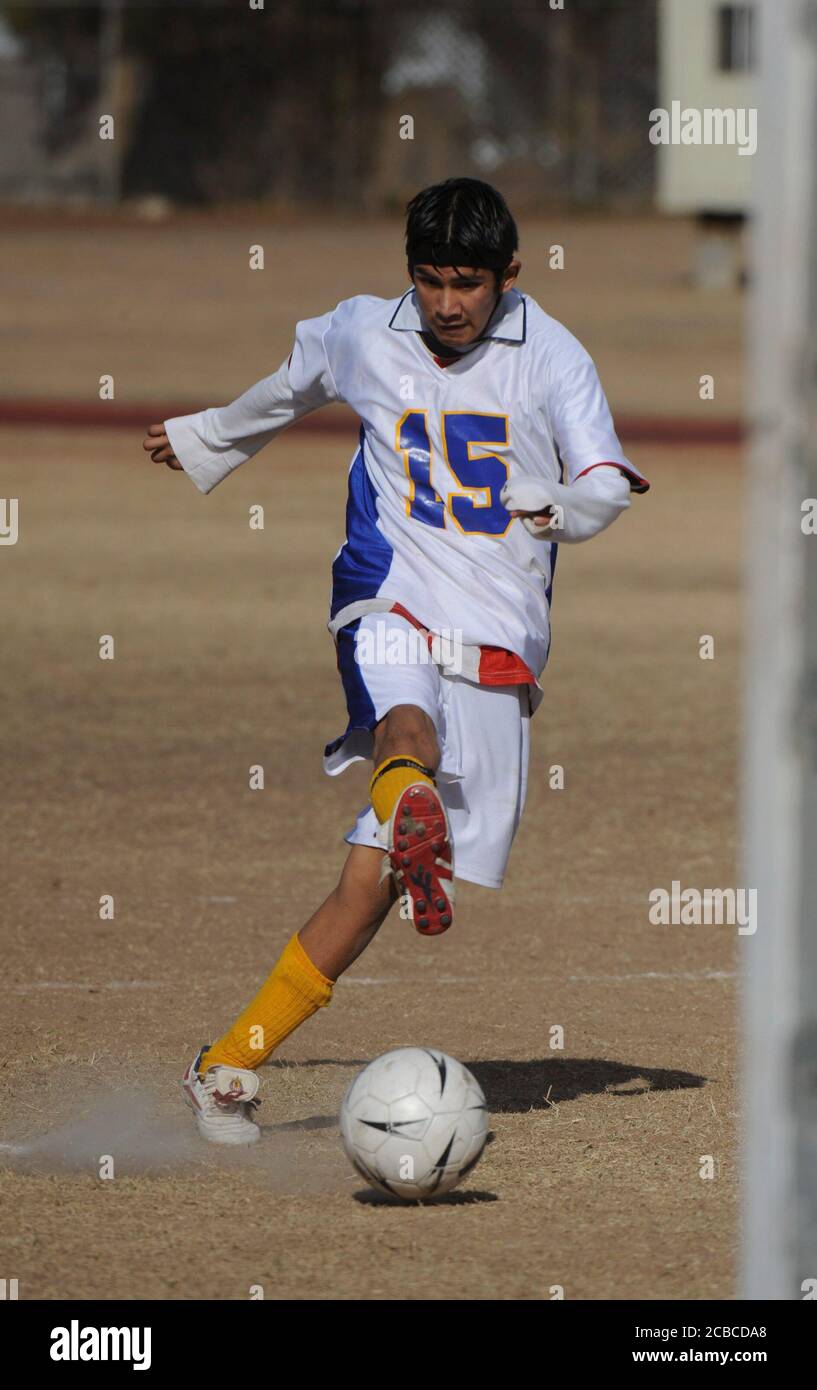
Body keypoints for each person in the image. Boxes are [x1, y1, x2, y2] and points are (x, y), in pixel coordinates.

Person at [142, 177, 649, 1145]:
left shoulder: (554, 356)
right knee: (398, 722)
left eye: (467, 283)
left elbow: (602, 481)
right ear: (406, 276)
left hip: (496, 631)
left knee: (364, 890)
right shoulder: (362, 332)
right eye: (428, 281)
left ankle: (226, 1065)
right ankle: (406, 791)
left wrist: (561, 509)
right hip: (388, 592)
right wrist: (208, 435)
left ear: (510, 274)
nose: (447, 303)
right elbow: (292, 382)